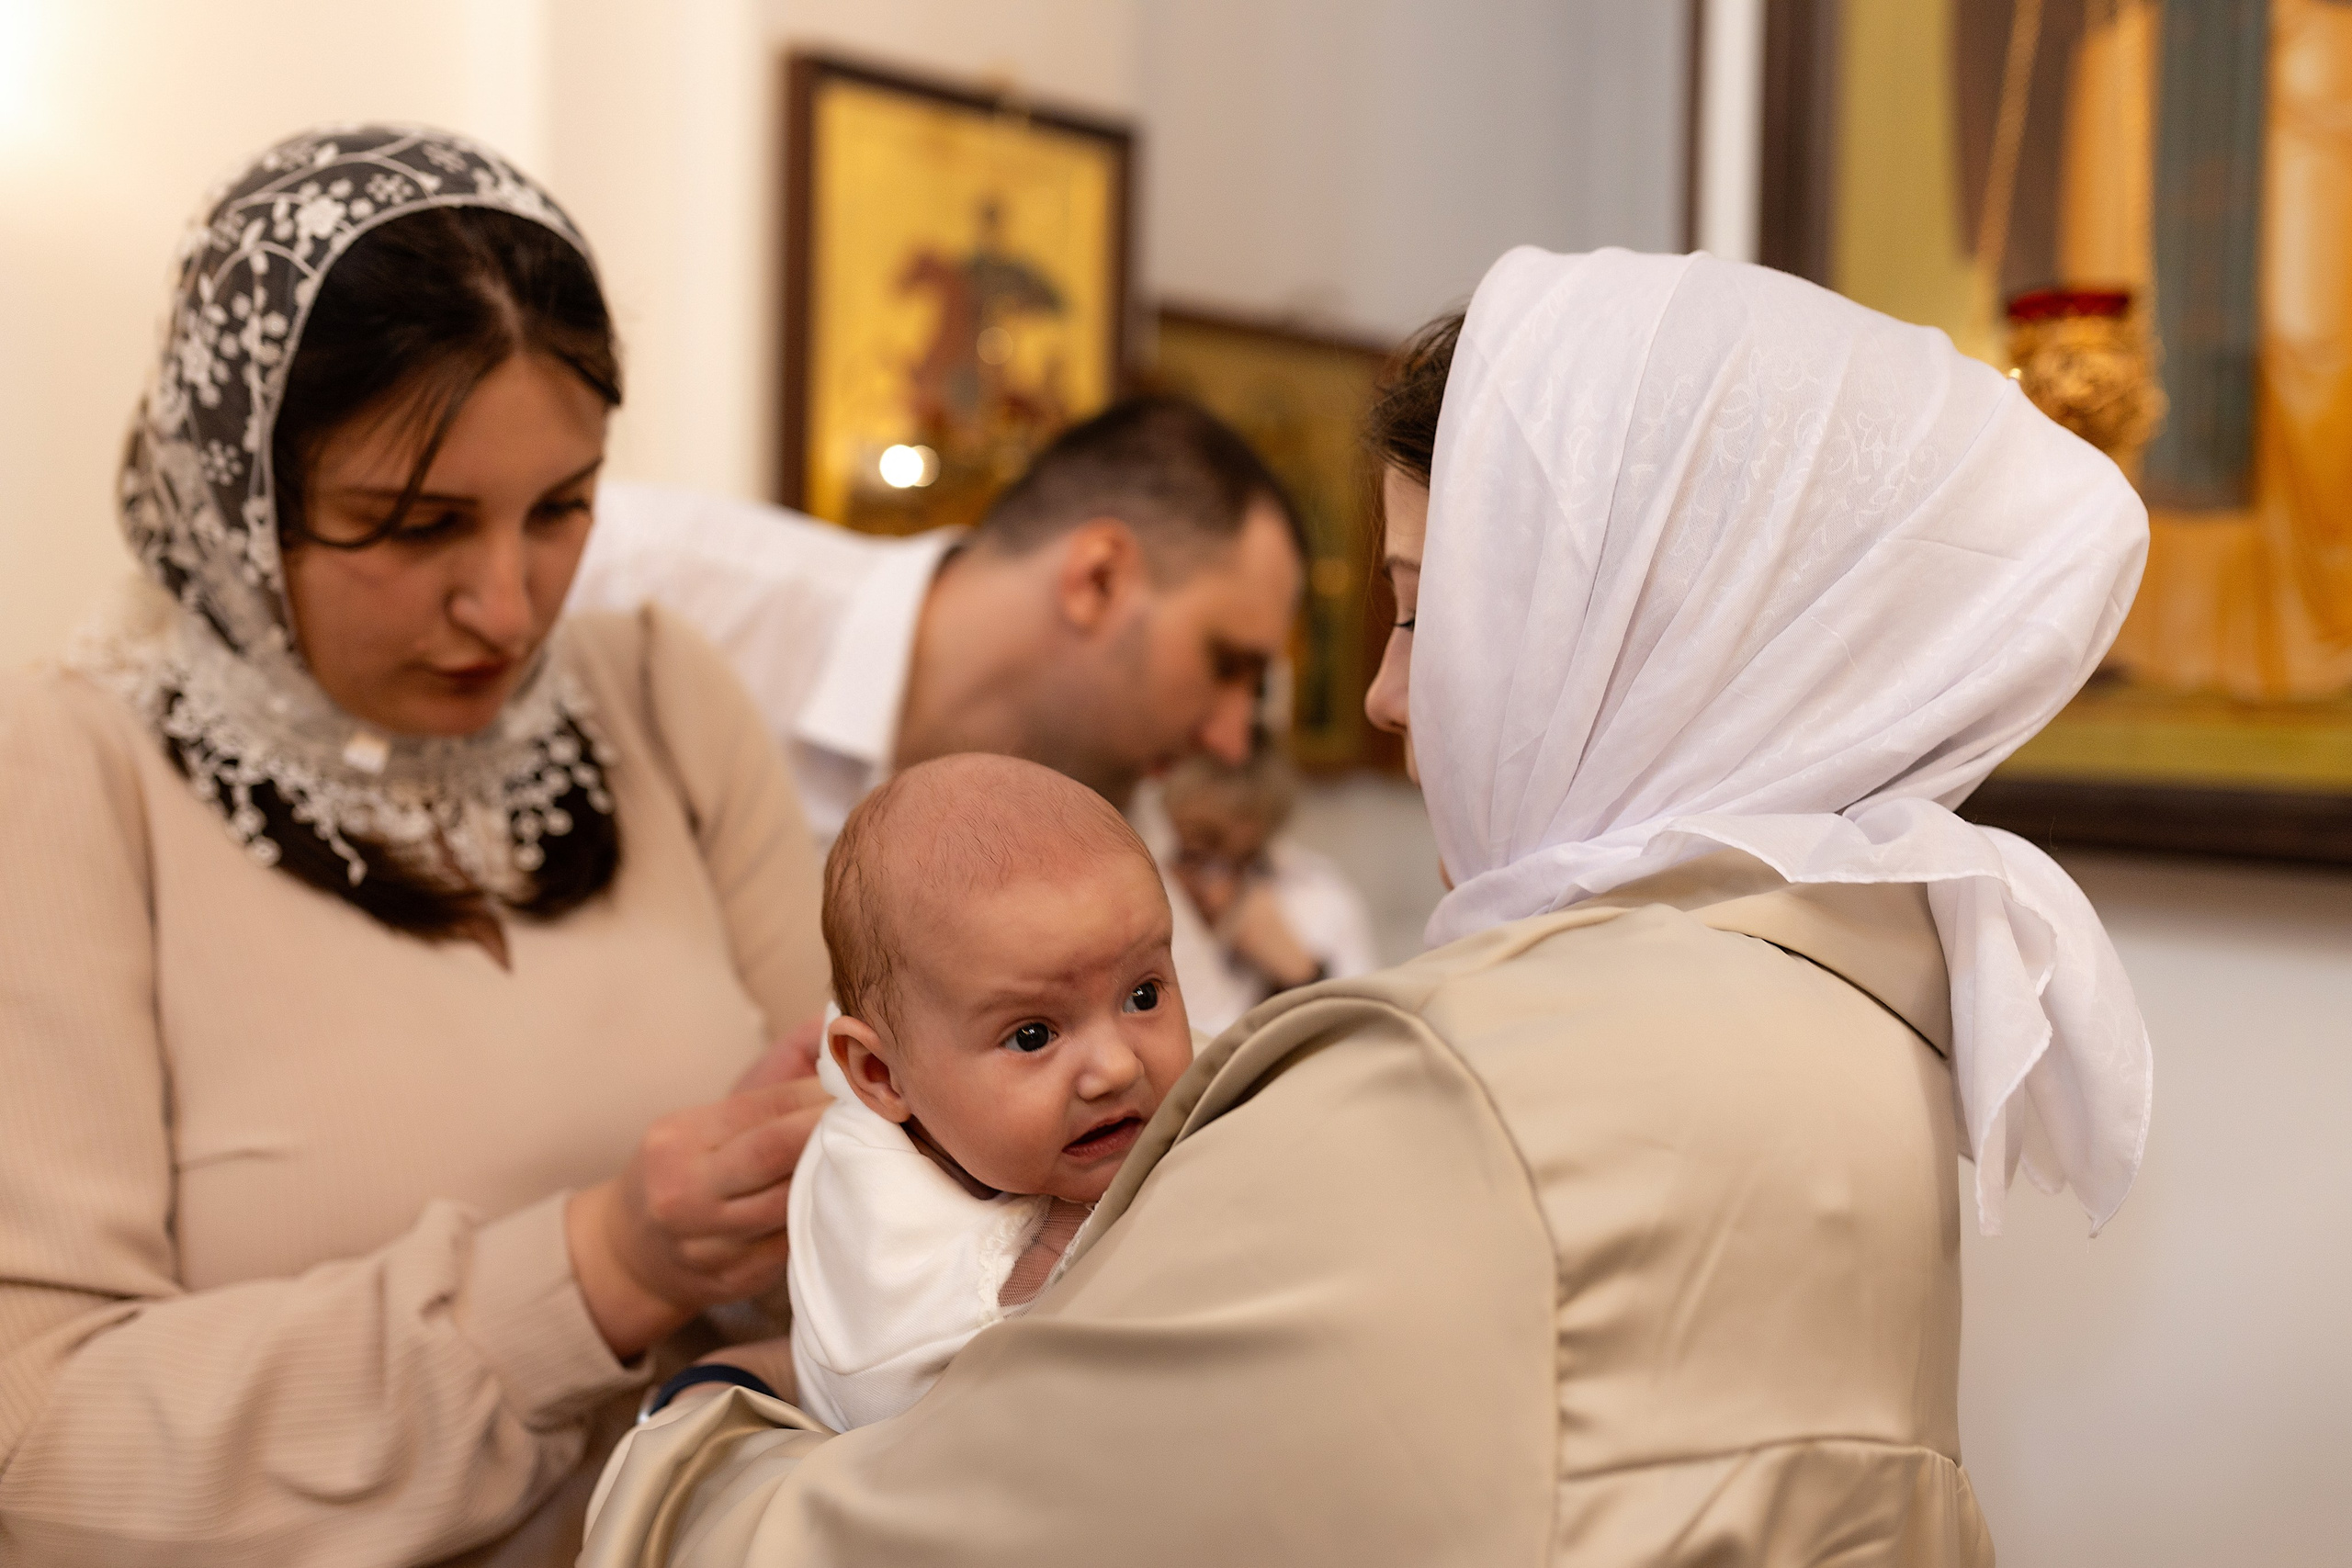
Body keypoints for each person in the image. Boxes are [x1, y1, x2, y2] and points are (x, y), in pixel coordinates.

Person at [580, 244, 2154, 1568]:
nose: (1389, 699)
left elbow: (959, 1529)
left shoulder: (1463, 1089)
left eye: (1423, 613)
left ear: (1638, 630)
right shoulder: (1866, 1004)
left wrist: (691, 1431)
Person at [0, 127, 837, 1567]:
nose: (508, 608)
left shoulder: (661, 698)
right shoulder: (71, 773)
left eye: (563, 508)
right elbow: (39, 1447)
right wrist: (602, 1270)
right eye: (412, 524)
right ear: (239, 500)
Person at [568, 395, 1308, 840]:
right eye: (1226, 665)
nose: (1232, 739)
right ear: (1098, 579)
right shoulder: (631, 581)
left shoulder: (1116, 823)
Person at [776, 754, 1193, 1432]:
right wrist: (1065, 1240)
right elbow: (899, 1404)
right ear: (882, 1076)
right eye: (1032, 1036)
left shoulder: (1011, 1084)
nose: (1116, 1066)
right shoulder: (869, 1202)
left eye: (1142, 995)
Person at [1151, 734, 1378, 1035]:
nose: (1215, 890)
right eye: (1193, 856)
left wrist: (1304, 976)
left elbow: (1363, 1041)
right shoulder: (1150, 885)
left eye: (1243, 861)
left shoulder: (1321, 897)